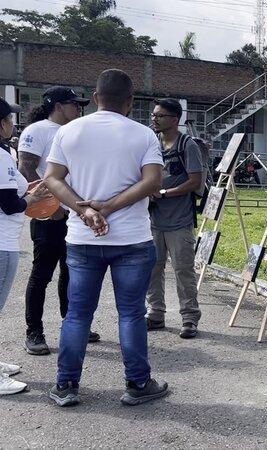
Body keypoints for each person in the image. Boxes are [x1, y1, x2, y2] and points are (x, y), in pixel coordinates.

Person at [44, 69, 169, 407]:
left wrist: (85, 211)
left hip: (83, 240)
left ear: (96, 98)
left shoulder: (69, 132)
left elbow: (52, 179)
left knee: (78, 315)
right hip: (132, 239)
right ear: (130, 101)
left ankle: (66, 385)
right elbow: (153, 182)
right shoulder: (143, 135)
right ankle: (137, 384)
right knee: (130, 314)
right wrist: (109, 207)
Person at [18, 87, 100, 356]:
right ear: (56, 105)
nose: (78, 109)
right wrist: (48, 207)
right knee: (42, 274)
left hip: (74, 215)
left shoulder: (75, 130)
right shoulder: (37, 131)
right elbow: (27, 170)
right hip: (49, 216)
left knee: (72, 273)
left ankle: (73, 326)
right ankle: (34, 331)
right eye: (73, 104)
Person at [0, 98, 50, 395]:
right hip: (3, 243)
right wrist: (34, 198)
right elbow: (9, 205)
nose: (11, 123)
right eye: (8, 119)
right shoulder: (2, 156)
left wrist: (31, 190)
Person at [146, 98, 202, 339]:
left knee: (183, 271)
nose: (154, 119)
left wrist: (165, 192)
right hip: (154, 220)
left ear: (174, 119)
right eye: (153, 115)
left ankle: (189, 318)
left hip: (179, 221)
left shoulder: (187, 145)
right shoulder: (152, 143)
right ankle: (156, 314)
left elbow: (195, 181)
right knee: (152, 269)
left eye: (160, 116)